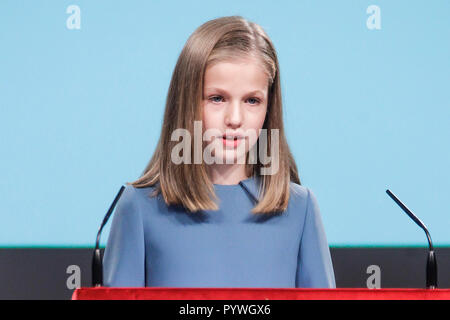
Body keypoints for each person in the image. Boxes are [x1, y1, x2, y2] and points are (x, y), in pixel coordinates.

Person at [103, 15, 336, 288]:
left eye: (252, 100)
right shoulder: (139, 207)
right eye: (217, 98)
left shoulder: (299, 208)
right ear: (187, 101)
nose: (235, 118)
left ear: (268, 108)